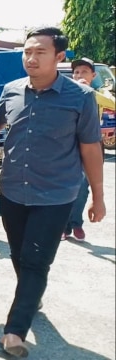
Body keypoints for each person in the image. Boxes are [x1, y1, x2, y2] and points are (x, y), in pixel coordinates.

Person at [0, 27, 106, 357]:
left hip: (55, 196)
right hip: (12, 191)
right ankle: (32, 295)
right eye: (27, 51)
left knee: (35, 262)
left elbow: (90, 149)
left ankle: (14, 332)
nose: (31, 58)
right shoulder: (12, 90)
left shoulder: (80, 98)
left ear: (59, 57)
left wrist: (98, 197)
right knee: (20, 255)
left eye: (40, 52)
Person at [63, 57, 115, 241]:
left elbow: (110, 113)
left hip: (92, 147)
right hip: (69, 148)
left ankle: (76, 223)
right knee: (66, 186)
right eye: (76, 72)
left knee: (83, 187)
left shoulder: (101, 94)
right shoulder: (67, 94)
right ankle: (65, 226)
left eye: (84, 72)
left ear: (93, 75)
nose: (79, 75)